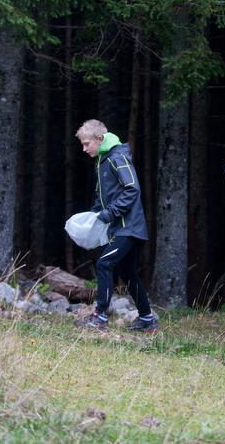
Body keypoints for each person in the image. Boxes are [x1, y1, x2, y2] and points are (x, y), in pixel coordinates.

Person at [74, 119, 158, 333]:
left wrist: (110, 213)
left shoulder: (116, 157)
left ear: (99, 139)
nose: (84, 149)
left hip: (128, 227)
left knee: (104, 264)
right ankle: (147, 319)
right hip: (119, 226)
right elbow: (103, 196)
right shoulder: (103, 160)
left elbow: (132, 188)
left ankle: (99, 317)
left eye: (86, 144)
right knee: (128, 273)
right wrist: (93, 216)